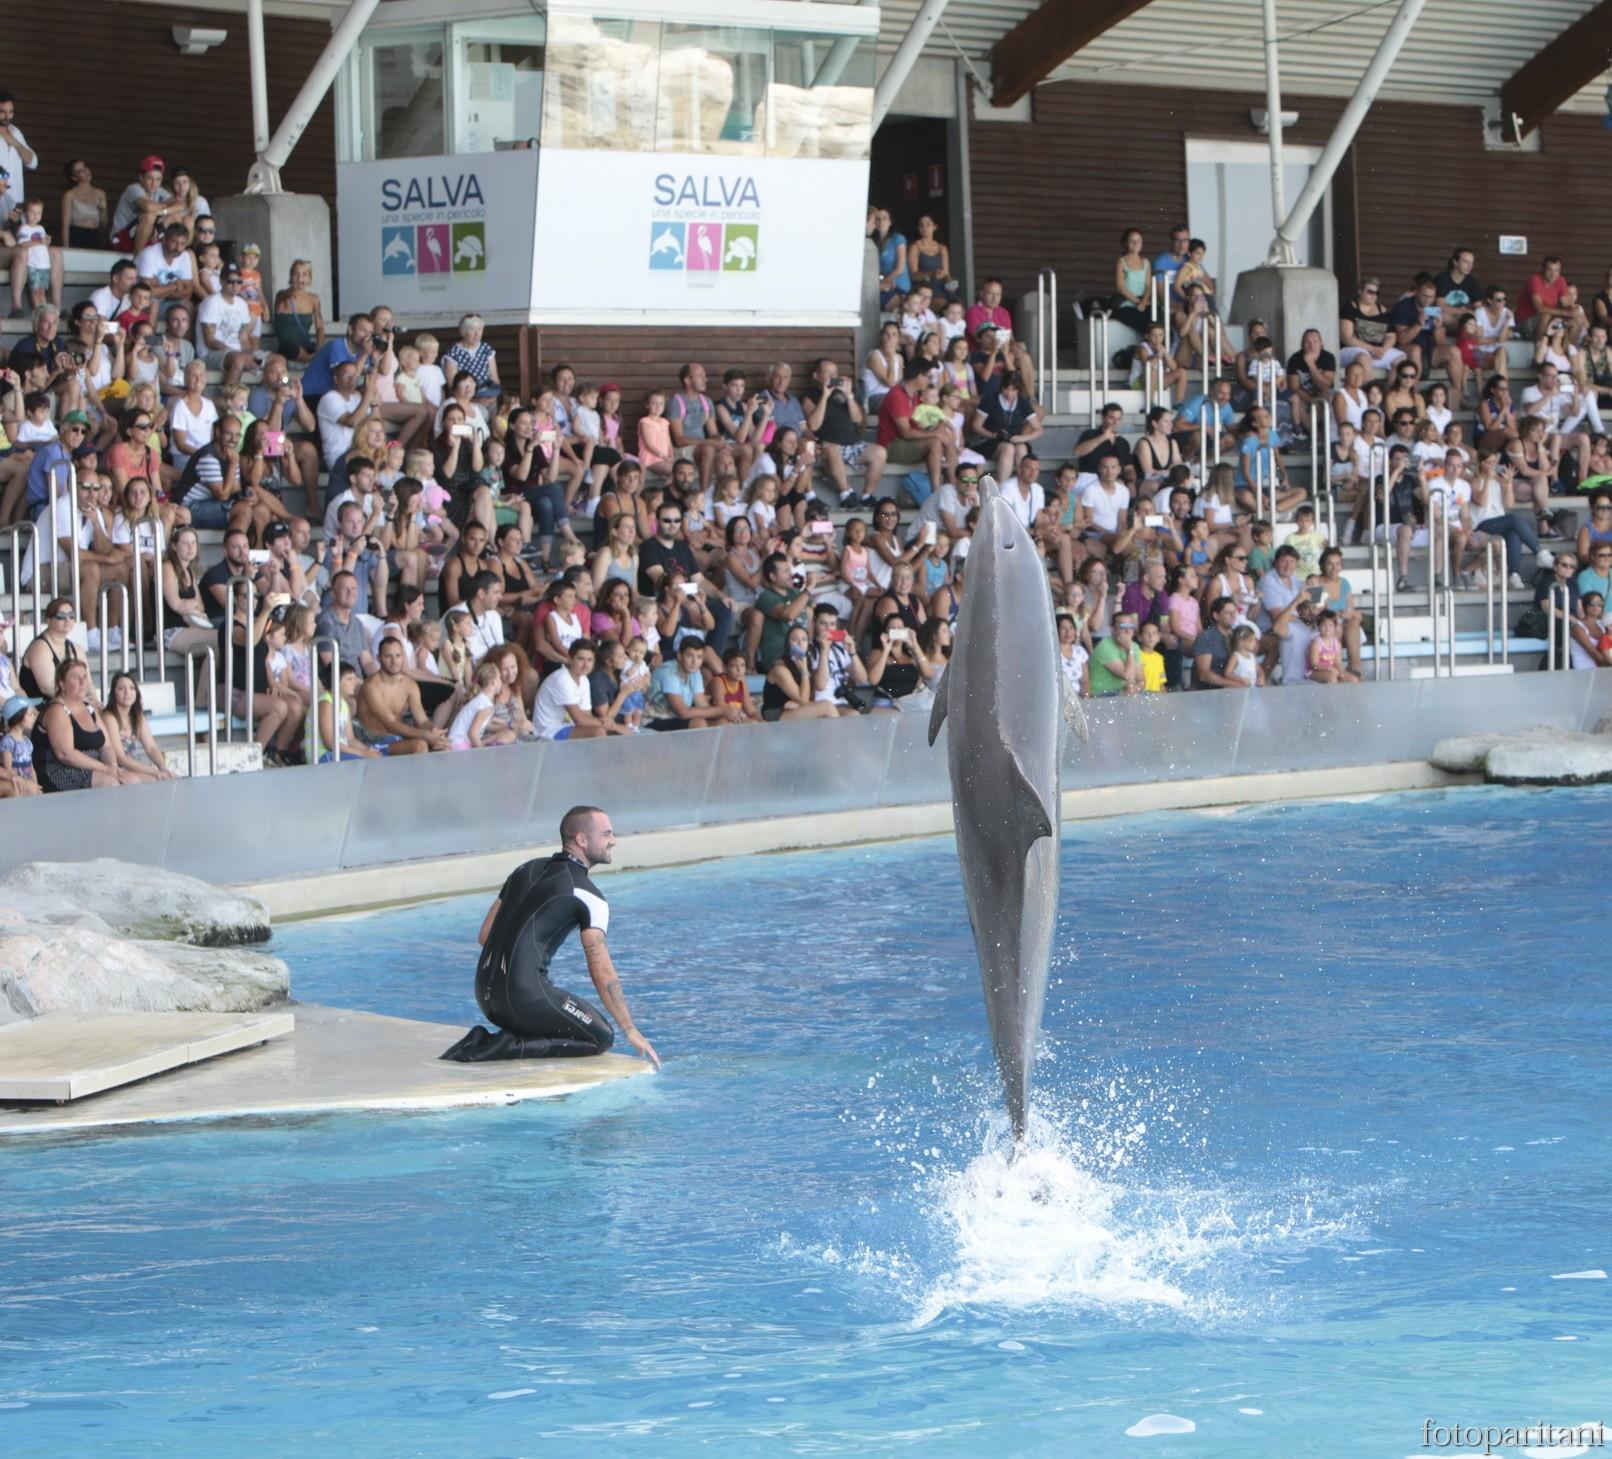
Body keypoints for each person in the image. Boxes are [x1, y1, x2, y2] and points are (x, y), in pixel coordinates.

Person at [442, 805, 660, 1066]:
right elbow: (602, 971)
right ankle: (507, 1045)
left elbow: (485, 935)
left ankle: (499, 1034)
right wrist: (630, 1029)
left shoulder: (524, 870)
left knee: (552, 1014)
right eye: (607, 834)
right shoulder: (589, 896)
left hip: (486, 998)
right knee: (599, 1037)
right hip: (524, 998)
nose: (613, 841)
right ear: (582, 839)